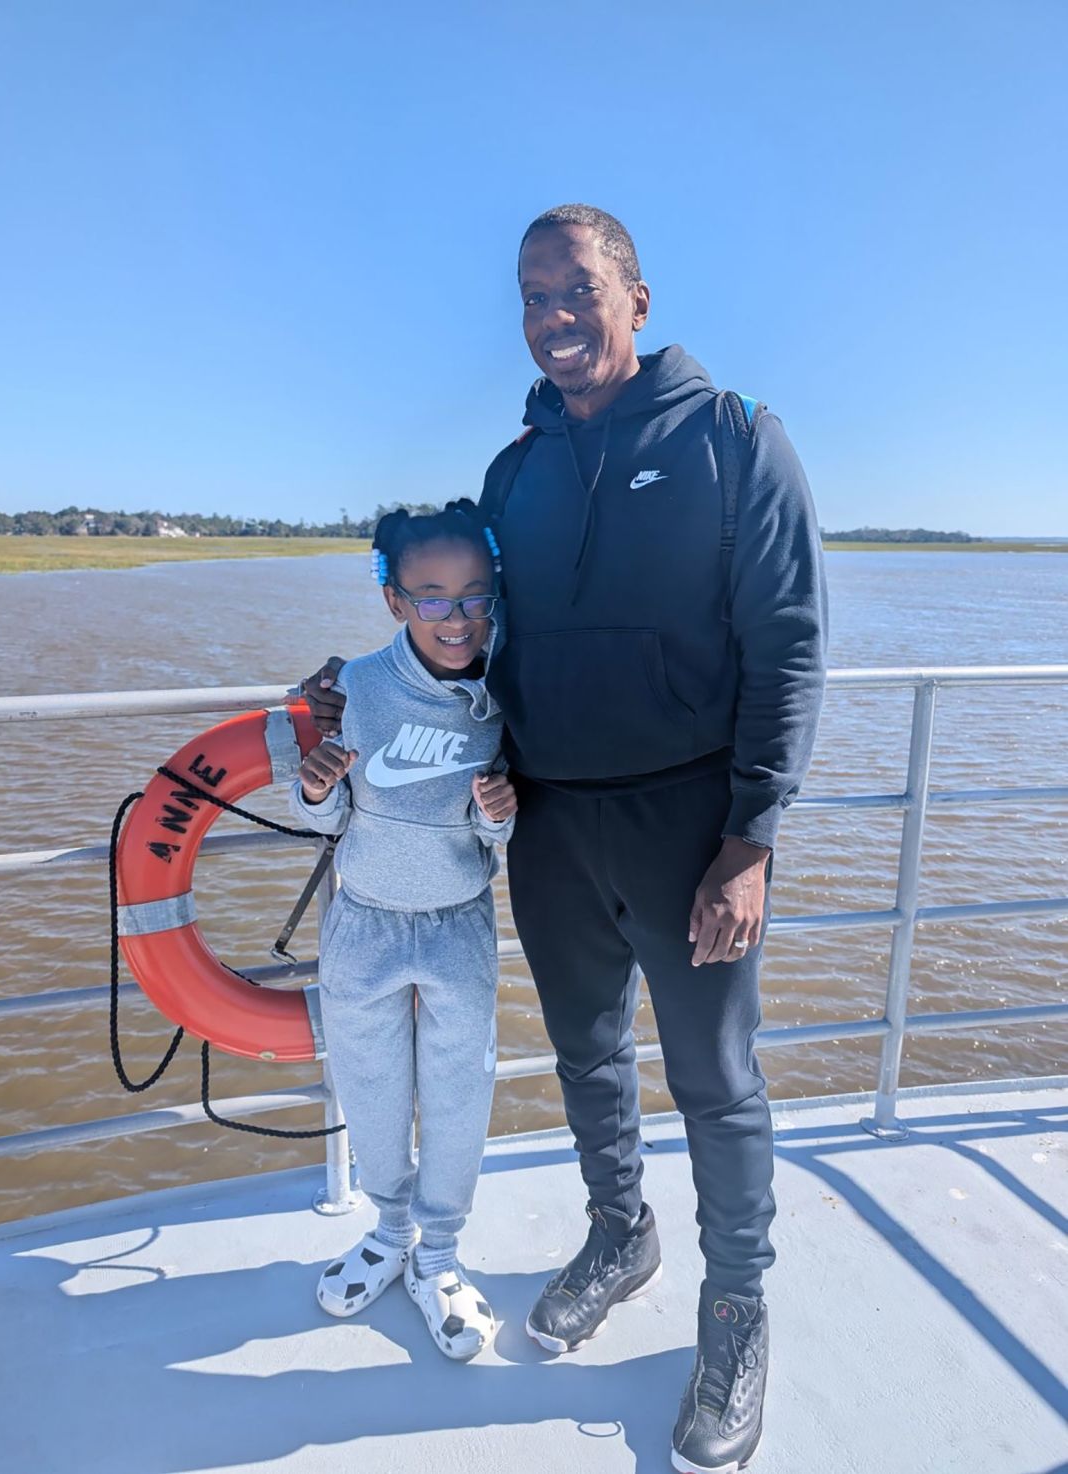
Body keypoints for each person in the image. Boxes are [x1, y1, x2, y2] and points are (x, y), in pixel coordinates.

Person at [305, 205, 827, 1471]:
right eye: (532, 297)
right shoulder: (513, 474)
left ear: (637, 300)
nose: (552, 318)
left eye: (577, 291)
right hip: (547, 818)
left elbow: (792, 642)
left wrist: (750, 835)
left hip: (690, 821)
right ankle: (620, 1233)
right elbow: (462, 635)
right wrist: (341, 692)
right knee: (589, 1055)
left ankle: (736, 1307)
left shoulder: (735, 438)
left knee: (716, 1078)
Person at [291, 500, 516, 1363]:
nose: (456, 618)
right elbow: (328, 813)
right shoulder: (354, 686)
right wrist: (315, 786)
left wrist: (499, 817)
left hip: (459, 927)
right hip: (365, 924)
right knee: (372, 1086)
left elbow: (505, 837)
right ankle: (387, 1236)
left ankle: (444, 1256)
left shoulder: (506, 690)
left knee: (461, 1094)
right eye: (431, 597)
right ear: (394, 601)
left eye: (474, 596)